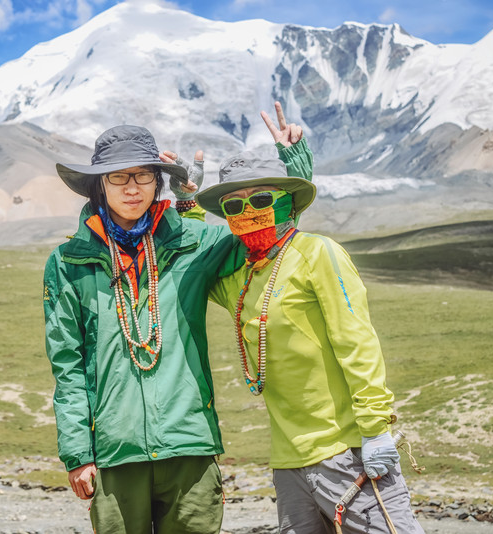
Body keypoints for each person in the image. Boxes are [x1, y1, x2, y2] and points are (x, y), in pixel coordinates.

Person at [43, 120, 313, 533]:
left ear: (159, 182)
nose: (132, 187)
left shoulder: (193, 243)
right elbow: (68, 365)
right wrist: (78, 452)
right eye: (119, 177)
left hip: (190, 443)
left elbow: (264, 230)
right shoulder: (68, 261)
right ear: (100, 185)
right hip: (116, 450)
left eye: (144, 175)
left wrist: (295, 166)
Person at [192, 146, 425, 534]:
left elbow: (357, 340)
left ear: (287, 203)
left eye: (262, 199)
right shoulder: (241, 280)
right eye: (233, 206)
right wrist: (189, 207)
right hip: (288, 462)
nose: (248, 212)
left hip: (348, 451)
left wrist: (375, 428)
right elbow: (193, 269)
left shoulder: (318, 252)